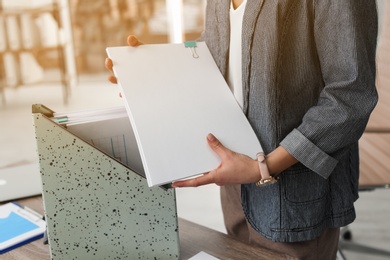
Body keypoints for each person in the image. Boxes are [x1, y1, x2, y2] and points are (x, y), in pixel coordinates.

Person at [106, 0, 378, 259]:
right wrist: (150, 73)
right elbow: (220, 51)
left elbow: (350, 96)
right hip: (235, 186)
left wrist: (263, 167)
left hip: (296, 198)